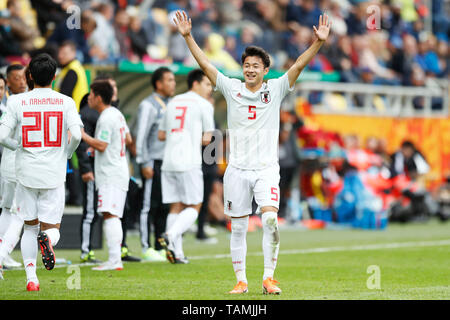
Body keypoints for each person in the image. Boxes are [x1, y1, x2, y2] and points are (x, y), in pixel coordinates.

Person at [173, 10, 331, 294]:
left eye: (256, 65)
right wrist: (187, 37)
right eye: (246, 65)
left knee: (269, 219)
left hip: (266, 169)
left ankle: (269, 278)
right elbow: (206, 64)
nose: (250, 69)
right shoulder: (231, 88)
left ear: (265, 70)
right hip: (236, 170)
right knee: (238, 228)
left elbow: (297, 65)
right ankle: (241, 280)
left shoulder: (276, 89)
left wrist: (317, 43)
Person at [0, 53, 83, 291]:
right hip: (53, 172)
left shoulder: (17, 102)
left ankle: (31, 280)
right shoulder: (65, 102)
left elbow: (2, 136)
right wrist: (66, 153)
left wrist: (18, 147)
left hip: (26, 172)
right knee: (51, 228)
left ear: (30, 76)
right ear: (55, 77)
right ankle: (47, 241)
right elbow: (76, 135)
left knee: (29, 226)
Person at [157, 68, 215, 264]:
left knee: (176, 206)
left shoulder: (173, 101)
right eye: (207, 84)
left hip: (168, 162)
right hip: (188, 161)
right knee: (194, 206)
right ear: (196, 83)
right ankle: (170, 235)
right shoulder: (204, 105)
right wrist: (192, 137)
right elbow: (208, 139)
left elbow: (161, 134)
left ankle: (176, 253)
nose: (210, 88)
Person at [81, 81, 131, 271]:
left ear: (99, 97)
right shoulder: (116, 115)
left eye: (91, 94)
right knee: (113, 214)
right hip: (118, 169)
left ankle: (114, 260)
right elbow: (128, 138)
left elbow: (102, 144)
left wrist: (83, 136)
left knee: (110, 215)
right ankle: (115, 259)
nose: (89, 98)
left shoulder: (106, 117)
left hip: (110, 173)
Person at [135, 67, 176, 262]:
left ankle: (160, 245)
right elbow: (141, 135)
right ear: (158, 84)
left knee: (163, 206)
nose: (173, 83)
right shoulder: (148, 105)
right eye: (169, 80)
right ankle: (145, 247)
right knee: (147, 206)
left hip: (167, 163)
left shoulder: (171, 105)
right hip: (152, 162)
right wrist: (143, 162)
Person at [0, 70, 24, 270]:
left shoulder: (11, 103)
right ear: (9, 82)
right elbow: (3, 136)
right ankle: (2, 254)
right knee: (15, 212)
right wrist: (20, 146)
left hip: (9, 164)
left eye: (25, 77)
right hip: (13, 165)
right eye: (18, 78)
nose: (23, 81)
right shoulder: (16, 104)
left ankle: (3, 253)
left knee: (7, 210)